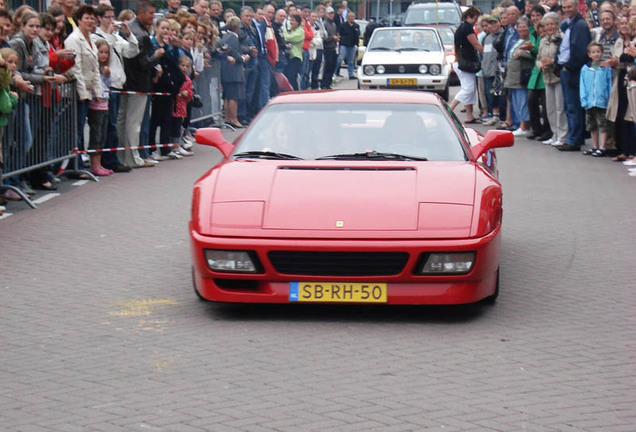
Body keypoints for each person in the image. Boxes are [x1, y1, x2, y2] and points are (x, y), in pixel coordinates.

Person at [92, 4, 138, 172]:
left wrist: (128, 33)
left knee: (113, 123)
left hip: (118, 83)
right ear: (100, 18)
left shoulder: (117, 37)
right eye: (107, 17)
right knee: (107, 124)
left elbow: (132, 51)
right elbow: (104, 52)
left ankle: (112, 157)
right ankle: (107, 159)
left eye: (113, 16)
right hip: (105, 85)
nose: (111, 20)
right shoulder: (96, 35)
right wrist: (111, 34)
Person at [119, 0, 163, 168]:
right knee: (133, 122)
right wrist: (157, 55)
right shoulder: (141, 34)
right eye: (151, 13)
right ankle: (133, 157)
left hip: (127, 82)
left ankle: (124, 156)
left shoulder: (132, 29)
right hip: (137, 83)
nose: (153, 17)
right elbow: (143, 63)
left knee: (124, 121)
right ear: (142, 12)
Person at [555, 0, 592, 151]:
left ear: (577, 7)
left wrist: (568, 67)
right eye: (564, 7)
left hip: (573, 71)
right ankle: (576, 137)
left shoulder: (580, 26)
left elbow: (580, 50)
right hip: (567, 69)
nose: (567, 10)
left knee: (573, 106)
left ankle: (574, 139)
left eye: (570, 7)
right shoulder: (570, 24)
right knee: (570, 106)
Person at [606, 16, 636, 162]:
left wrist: (619, 60)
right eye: (621, 24)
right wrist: (614, 62)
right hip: (621, 77)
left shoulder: (634, 41)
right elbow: (619, 59)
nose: (624, 26)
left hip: (632, 77)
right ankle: (624, 149)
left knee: (632, 115)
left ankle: (632, 151)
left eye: (626, 23)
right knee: (622, 113)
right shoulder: (619, 41)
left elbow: (628, 59)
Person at [537, 12, 568, 146]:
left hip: (557, 76)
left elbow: (564, 56)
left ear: (557, 24)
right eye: (547, 24)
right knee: (549, 108)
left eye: (551, 24)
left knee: (560, 108)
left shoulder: (562, 38)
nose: (549, 27)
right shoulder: (543, 40)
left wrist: (552, 61)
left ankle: (562, 135)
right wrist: (541, 66)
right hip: (546, 77)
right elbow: (538, 58)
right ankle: (554, 133)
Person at [450, 7, 483, 123]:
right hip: (465, 62)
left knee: (470, 88)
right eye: (476, 18)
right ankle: (449, 108)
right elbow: (475, 44)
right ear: (471, 16)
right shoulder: (467, 28)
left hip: (460, 61)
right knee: (468, 89)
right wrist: (486, 53)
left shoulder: (461, 27)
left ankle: (469, 115)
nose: (476, 21)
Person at [579, 41, 612, 156]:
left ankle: (602, 147)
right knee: (592, 125)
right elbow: (582, 85)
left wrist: (608, 99)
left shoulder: (605, 68)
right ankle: (594, 146)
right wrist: (583, 99)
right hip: (589, 101)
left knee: (602, 124)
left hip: (601, 101)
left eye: (598, 52)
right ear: (589, 54)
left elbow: (609, 84)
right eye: (593, 52)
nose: (596, 54)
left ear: (602, 53)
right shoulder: (585, 68)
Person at [504, 16, 534, 136]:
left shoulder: (530, 40)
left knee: (522, 102)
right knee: (515, 101)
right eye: (520, 27)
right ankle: (519, 124)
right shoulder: (517, 40)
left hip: (521, 76)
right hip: (512, 77)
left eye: (524, 27)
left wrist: (522, 52)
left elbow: (533, 54)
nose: (521, 30)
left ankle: (524, 126)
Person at [86, 38, 112, 175]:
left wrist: (108, 75)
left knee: (102, 135)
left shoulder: (105, 69)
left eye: (106, 52)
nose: (103, 55)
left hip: (105, 105)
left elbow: (108, 84)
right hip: (95, 106)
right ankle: (94, 164)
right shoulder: (94, 68)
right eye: (101, 52)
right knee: (96, 135)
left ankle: (99, 163)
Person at [220, 16, 248, 128]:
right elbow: (234, 53)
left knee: (227, 96)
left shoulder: (225, 36)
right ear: (237, 27)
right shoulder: (233, 38)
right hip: (233, 71)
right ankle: (234, 119)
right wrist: (243, 58)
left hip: (226, 70)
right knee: (233, 96)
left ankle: (228, 118)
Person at [170, 56, 193, 148]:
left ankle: (178, 144)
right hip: (174, 106)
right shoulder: (175, 77)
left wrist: (187, 94)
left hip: (182, 107)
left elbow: (190, 93)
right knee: (173, 126)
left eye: (187, 66)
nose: (184, 68)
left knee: (179, 126)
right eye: (182, 65)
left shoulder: (188, 80)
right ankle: (173, 145)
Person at [335, 11, 359, 79]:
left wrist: (356, 44)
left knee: (351, 61)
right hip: (344, 44)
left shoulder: (356, 26)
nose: (352, 18)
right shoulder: (343, 25)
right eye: (350, 16)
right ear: (348, 17)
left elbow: (357, 35)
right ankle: (334, 72)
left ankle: (351, 74)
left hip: (352, 45)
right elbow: (339, 33)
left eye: (353, 16)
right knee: (340, 58)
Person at [283, 14, 304, 90]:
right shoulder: (289, 30)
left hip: (296, 57)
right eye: (290, 20)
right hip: (287, 56)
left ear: (298, 22)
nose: (291, 22)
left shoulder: (300, 31)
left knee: (292, 77)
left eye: (293, 20)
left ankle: (295, 92)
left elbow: (289, 38)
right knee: (287, 77)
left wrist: (284, 34)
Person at [321, 6, 338, 89]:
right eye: (330, 13)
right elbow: (324, 38)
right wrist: (332, 38)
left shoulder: (334, 24)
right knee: (327, 66)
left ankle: (329, 83)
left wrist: (336, 38)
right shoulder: (324, 24)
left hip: (333, 48)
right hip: (327, 48)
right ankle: (324, 84)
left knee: (332, 66)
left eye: (332, 13)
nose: (332, 15)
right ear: (326, 14)